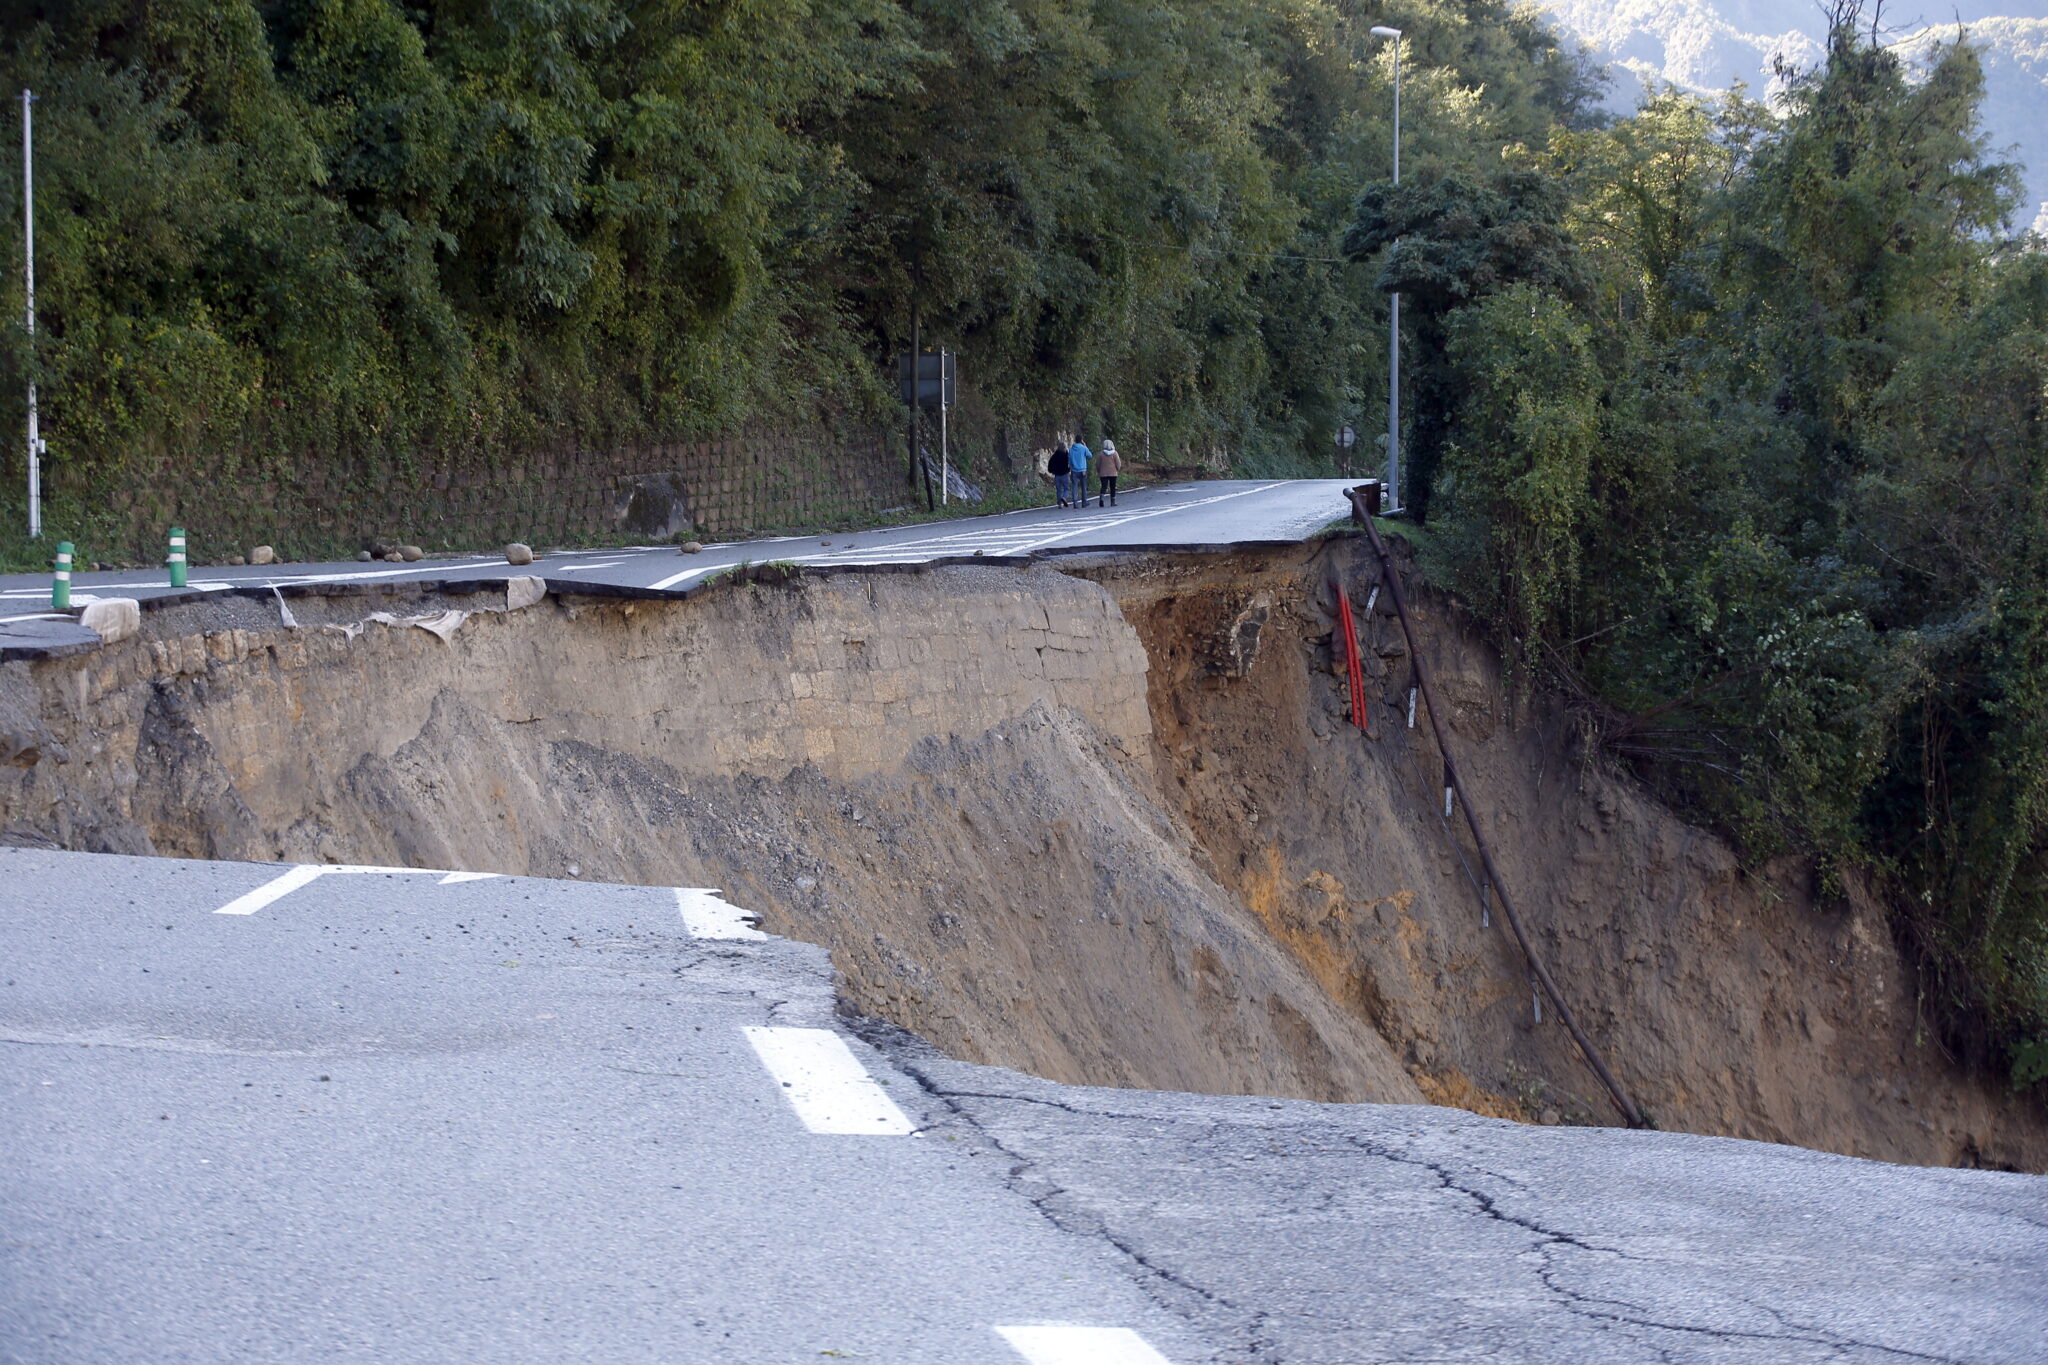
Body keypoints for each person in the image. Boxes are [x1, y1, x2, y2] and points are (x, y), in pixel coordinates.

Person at [1066, 435, 1091, 510]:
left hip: (1074, 470)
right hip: (1082, 470)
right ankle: (1084, 502)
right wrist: (1085, 446)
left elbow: (1069, 459)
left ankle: (1075, 503)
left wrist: (1070, 467)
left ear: (1075, 440)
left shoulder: (1071, 449)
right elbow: (1090, 455)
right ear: (1081, 440)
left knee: (1074, 486)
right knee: (1083, 486)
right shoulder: (1083, 448)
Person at [1096, 438, 1121, 506]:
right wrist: (1118, 469)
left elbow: (1098, 464)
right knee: (1112, 487)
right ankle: (1113, 502)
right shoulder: (1115, 453)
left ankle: (1102, 498)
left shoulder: (1101, 454)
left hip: (1103, 473)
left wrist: (1098, 470)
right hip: (1113, 473)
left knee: (1104, 486)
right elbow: (1118, 463)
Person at [1048, 440, 1072, 506]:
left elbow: (1050, 464)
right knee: (1066, 489)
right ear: (1065, 447)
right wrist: (1069, 469)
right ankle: (1064, 497)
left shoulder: (1054, 456)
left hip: (1057, 475)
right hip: (1065, 474)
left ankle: (1059, 504)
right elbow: (1070, 463)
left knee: (1058, 490)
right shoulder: (1066, 455)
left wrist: (1051, 471)